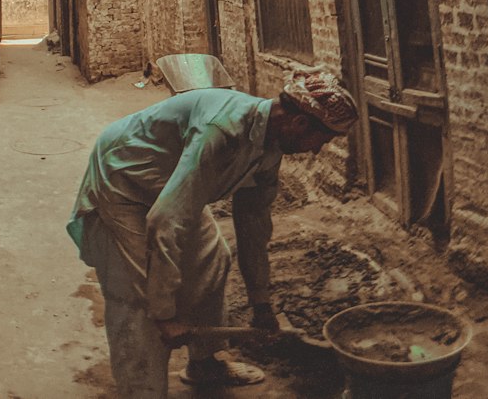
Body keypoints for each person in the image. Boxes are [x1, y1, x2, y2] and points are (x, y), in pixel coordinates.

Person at [67, 68, 358, 396]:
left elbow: (253, 226)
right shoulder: (221, 130)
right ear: (300, 123)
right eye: (322, 140)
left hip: (170, 181)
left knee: (212, 258)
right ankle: (142, 391)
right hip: (123, 177)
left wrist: (261, 304)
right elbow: (165, 221)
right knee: (138, 297)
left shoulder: (271, 146)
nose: (318, 150)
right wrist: (164, 315)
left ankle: (204, 364)